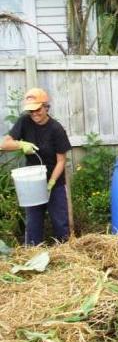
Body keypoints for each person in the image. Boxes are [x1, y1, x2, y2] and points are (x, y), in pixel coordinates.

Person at [0, 88, 71, 246]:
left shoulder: (56, 129)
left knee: (60, 222)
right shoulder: (24, 122)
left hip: (55, 182)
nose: (34, 114)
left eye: (37, 109)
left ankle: (65, 252)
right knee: (33, 222)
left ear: (46, 107)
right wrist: (20, 144)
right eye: (31, 110)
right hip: (32, 182)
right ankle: (33, 251)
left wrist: (51, 183)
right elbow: (4, 143)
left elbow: (61, 161)